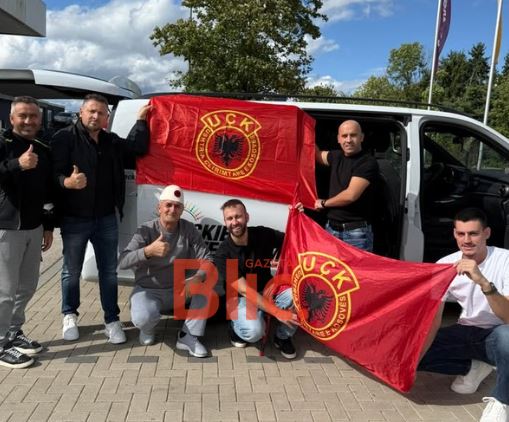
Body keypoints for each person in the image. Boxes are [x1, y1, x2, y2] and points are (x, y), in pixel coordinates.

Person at [51, 94, 151, 344]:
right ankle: (69, 314)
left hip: (106, 217)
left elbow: (137, 148)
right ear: (81, 113)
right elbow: (52, 174)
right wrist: (67, 182)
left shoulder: (110, 141)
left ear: (107, 117)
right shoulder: (64, 138)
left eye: (101, 113)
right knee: (71, 271)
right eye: (91, 111)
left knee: (109, 272)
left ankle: (111, 320)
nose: (96, 116)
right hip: (74, 217)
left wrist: (141, 120)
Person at [419, 208, 509, 422]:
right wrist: (416, 355)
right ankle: (473, 366)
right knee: (411, 351)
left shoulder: (505, 260)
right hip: (465, 331)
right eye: (461, 233)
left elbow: (508, 317)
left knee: (507, 338)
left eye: (473, 233)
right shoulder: (444, 264)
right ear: (454, 234)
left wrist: (483, 282)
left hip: (497, 334)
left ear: (486, 233)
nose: (466, 240)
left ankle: (502, 401)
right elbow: (434, 319)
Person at [118, 185, 213, 357]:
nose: (172, 210)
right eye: (168, 205)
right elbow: (122, 262)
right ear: (159, 208)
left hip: (179, 290)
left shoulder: (189, 229)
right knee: (142, 318)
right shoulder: (146, 230)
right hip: (149, 290)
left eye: (177, 206)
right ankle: (147, 329)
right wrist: (148, 251)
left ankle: (188, 337)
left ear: (182, 210)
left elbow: (207, 259)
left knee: (205, 286)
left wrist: (198, 276)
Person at [0, 96, 54, 368]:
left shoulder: (43, 148)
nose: (28, 121)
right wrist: (16, 165)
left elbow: (47, 191)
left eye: (33, 116)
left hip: (34, 227)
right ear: (12, 118)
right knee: (4, 291)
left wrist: (48, 225)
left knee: (28, 286)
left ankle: (13, 331)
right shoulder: (2, 143)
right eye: (22, 115)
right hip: (6, 227)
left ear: (40, 120)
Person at [214, 199, 300, 359]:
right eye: (229, 218)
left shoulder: (263, 234)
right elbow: (244, 290)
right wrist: (277, 312)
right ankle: (235, 328)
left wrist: (298, 217)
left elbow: (292, 239)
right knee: (255, 332)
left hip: (267, 290)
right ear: (225, 222)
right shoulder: (223, 254)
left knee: (299, 294)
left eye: (238, 216)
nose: (234, 222)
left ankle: (282, 337)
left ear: (247, 217)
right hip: (241, 298)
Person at [314, 120, 379, 251]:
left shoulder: (367, 162)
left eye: (353, 135)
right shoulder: (336, 156)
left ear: (361, 137)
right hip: (331, 229)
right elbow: (316, 155)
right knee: (330, 265)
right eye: (344, 136)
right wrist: (304, 131)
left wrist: (324, 203)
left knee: (355, 266)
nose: (348, 140)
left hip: (356, 234)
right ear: (338, 139)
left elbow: (350, 195)